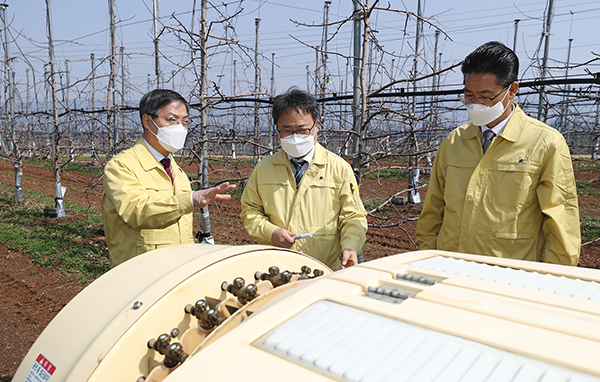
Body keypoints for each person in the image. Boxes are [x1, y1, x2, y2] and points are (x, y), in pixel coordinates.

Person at [416, 41, 580, 266]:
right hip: (450, 267)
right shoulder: (454, 141)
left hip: (508, 274)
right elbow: (433, 210)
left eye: (486, 96)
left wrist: (554, 280)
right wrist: (428, 259)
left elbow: (561, 221)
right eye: (469, 95)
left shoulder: (545, 143)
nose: (476, 103)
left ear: (511, 90)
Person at [102, 89, 235, 267]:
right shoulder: (122, 166)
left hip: (176, 270)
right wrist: (189, 199)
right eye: (172, 120)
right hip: (139, 271)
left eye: (185, 122)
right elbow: (136, 211)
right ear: (147, 121)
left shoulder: (177, 171)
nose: (180, 128)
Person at [241, 87, 367, 270]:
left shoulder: (339, 169)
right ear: (277, 130)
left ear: (316, 127)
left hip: (325, 269)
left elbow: (353, 216)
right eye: (287, 130)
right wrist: (271, 232)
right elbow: (250, 211)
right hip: (278, 268)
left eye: (302, 130)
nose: (295, 137)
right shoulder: (264, 169)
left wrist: (350, 246)